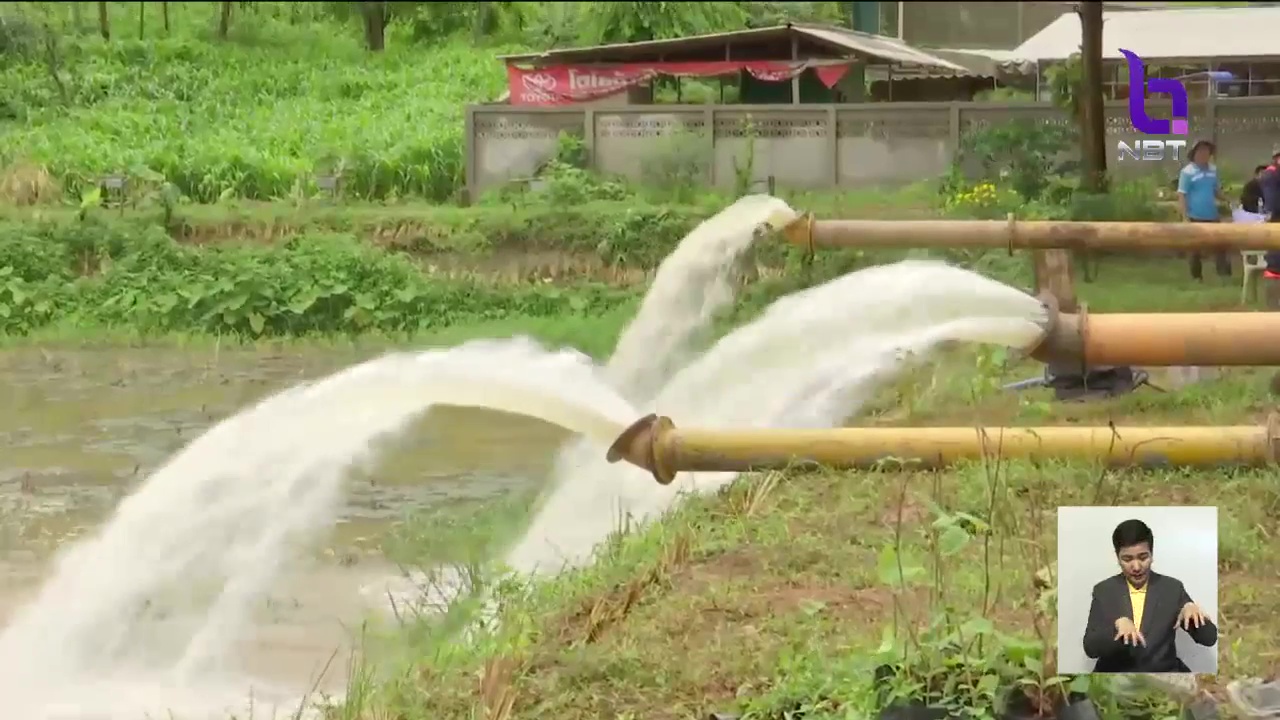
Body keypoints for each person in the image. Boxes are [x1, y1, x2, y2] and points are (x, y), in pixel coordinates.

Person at [1082, 519, 1218, 673]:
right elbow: (1090, 648)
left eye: (1143, 557)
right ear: (1117, 557)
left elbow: (1209, 639)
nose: (1136, 567)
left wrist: (1193, 613)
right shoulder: (1104, 590)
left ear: (1152, 555)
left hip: (1163, 675)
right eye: (1127, 559)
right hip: (1116, 678)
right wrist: (1117, 627)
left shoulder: (1172, 588)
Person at [1178, 140, 1230, 280]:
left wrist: (1227, 200)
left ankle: (1224, 274)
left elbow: (1216, 189)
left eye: (1207, 151)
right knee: (1194, 249)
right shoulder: (1187, 172)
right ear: (1194, 154)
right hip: (1194, 215)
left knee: (1220, 244)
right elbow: (1182, 194)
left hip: (1212, 214)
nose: (1204, 154)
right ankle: (1197, 277)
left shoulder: (1213, 170)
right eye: (1201, 151)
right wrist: (1184, 217)